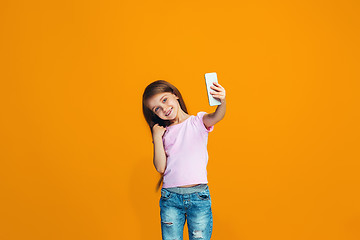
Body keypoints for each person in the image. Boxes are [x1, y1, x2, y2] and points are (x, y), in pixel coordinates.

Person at [142, 79, 226, 240]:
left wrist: (221, 101)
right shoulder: (162, 133)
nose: (164, 109)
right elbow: (160, 167)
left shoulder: (197, 122)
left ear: (175, 95)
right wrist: (156, 137)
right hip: (171, 198)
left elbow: (217, 116)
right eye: (157, 108)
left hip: (198, 196)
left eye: (165, 100)